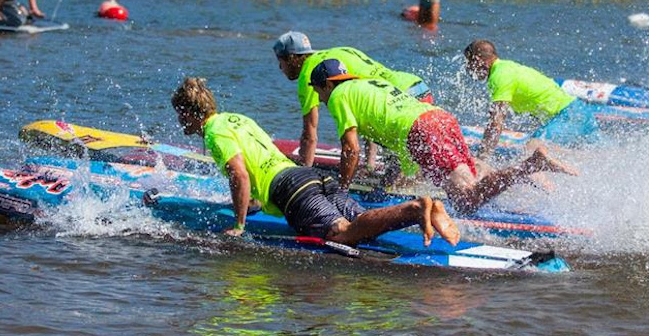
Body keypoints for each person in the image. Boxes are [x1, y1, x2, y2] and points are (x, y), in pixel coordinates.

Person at [171, 77, 459, 247]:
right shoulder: (236, 119)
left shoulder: (213, 133)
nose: (179, 120)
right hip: (311, 177)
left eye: (180, 114)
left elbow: (240, 175)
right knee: (361, 225)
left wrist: (239, 223)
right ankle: (427, 211)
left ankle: (416, 208)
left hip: (292, 191)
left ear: (190, 113)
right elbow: (263, 157)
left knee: (342, 234)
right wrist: (254, 202)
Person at [310, 59, 578, 215]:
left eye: (318, 91)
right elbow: (392, 131)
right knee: (466, 187)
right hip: (438, 119)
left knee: (466, 200)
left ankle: (530, 166)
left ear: (329, 84)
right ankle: (520, 177)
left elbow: (351, 148)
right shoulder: (366, 85)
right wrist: (390, 181)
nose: (320, 98)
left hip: (422, 130)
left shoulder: (338, 96)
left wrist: (342, 191)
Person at [273, 31, 430, 168]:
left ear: (291, 59)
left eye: (280, 63)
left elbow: (310, 134)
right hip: (416, 86)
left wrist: (303, 172)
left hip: (401, 101)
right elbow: (367, 115)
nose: (280, 69)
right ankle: (373, 167)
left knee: (402, 172)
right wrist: (369, 167)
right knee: (414, 159)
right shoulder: (341, 51)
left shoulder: (309, 72)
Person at [463, 40, 603, 156]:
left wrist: (482, 157)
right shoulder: (507, 67)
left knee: (532, 149)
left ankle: (549, 187)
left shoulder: (499, 77)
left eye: (469, 63)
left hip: (568, 116)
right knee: (605, 152)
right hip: (578, 111)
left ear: (477, 60)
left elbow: (496, 123)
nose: (468, 68)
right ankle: (582, 157)